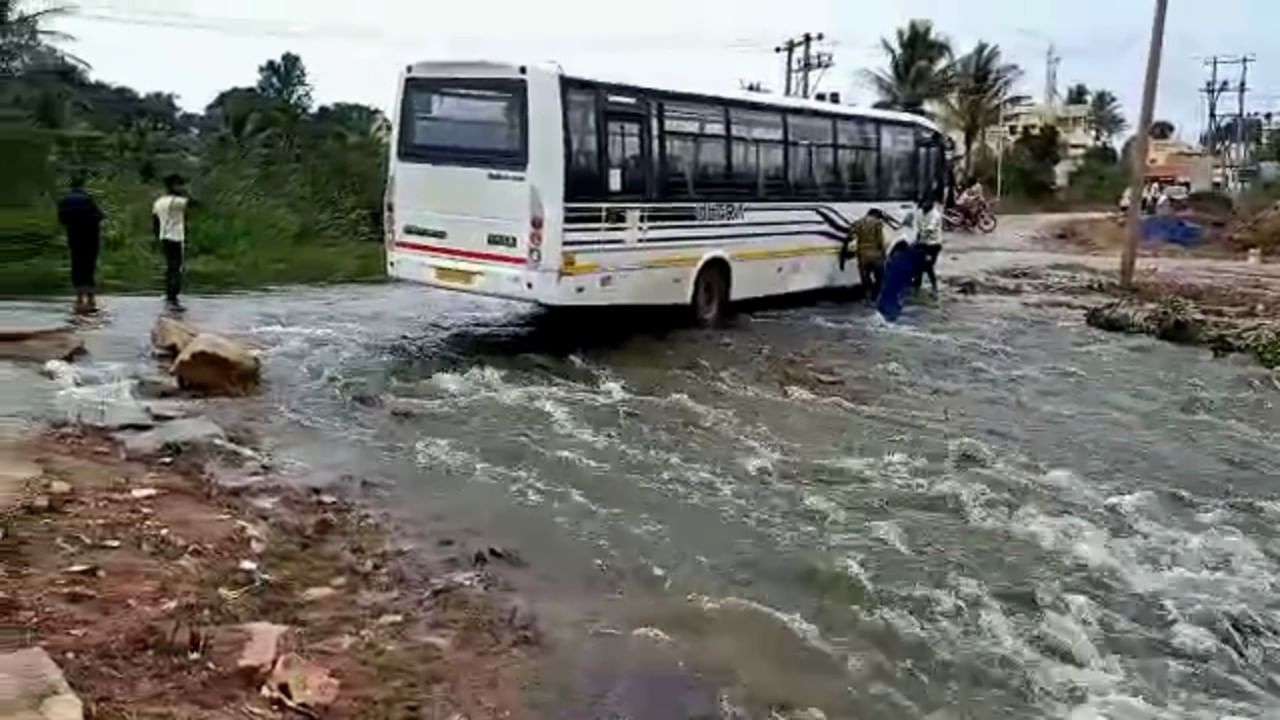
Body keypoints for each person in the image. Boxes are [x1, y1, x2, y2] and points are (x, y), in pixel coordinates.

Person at [57, 172, 105, 313]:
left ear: (71, 186)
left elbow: (62, 219)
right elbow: (99, 216)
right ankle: (90, 298)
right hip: (90, 238)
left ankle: (79, 298)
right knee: (89, 265)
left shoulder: (65, 200)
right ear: (82, 185)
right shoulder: (88, 199)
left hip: (74, 238)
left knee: (76, 265)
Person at [153, 174, 192, 308]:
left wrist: (157, 237)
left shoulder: (158, 202)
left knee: (170, 267)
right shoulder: (178, 202)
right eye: (180, 184)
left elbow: (155, 222)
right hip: (175, 237)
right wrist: (185, 193)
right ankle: (173, 298)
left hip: (164, 236)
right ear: (174, 185)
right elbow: (197, 205)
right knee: (175, 268)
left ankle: (170, 296)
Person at [847, 209, 898, 302]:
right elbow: (880, 241)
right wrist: (884, 255)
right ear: (875, 215)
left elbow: (849, 236)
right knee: (880, 279)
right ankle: (878, 299)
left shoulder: (858, 223)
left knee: (865, 281)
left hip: (862, 255)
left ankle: (867, 299)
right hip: (876, 255)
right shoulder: (877, 223)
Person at [913, 197, 944, 295]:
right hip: (922, 243)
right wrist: (917, 240)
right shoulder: (920, 213)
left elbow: (930, 229)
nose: (923, 206)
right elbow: (918, 227)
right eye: (922, 204)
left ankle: (934, 286)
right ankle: (917, 284)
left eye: (925, 204)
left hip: (933, 245)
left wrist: (922, 236)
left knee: (927, 265)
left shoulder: (935, 215)